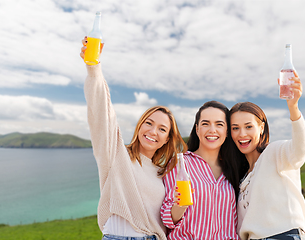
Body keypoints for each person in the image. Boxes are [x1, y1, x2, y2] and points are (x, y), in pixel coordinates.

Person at [80, 36, 187, 240]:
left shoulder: (162, 173)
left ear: (167, 139)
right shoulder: (116, 156)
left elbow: (168, 219)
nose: (153, 131)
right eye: (149, 123)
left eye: (162, 129)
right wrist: (94, 68)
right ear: (140, 126)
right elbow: (104, 115)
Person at [230, 72, 305, 240]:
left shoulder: (275, 153)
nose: (242, 134)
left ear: (261, 128)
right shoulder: (243, 177)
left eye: (248, 126)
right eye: (235, 128)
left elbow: (299, 150)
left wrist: (293, 108)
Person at [160, 100, 240, 240]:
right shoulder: (180, 164)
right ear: (197, 129)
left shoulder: (233, 169)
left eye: (219, 124)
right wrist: (180, 206)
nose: (212, 130)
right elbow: (166, 218)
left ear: (227, 131)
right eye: (205, 123)